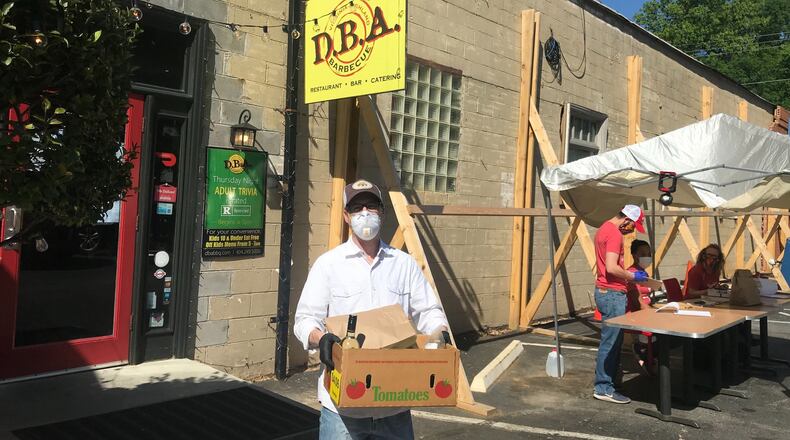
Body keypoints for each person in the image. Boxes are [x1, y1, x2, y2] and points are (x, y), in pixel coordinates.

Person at [294, 179, 450, 439]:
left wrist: (439, 333)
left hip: (394, 403)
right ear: (346, 216)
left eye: (371, 206)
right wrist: (320, 338)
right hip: (342, 409)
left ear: (382, 213)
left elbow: (428, 311)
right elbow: (305, 319)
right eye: (357, 208)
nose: (364, 213)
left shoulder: (403, 264)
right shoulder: (329, 264)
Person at [593, 204, 647, 404]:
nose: (632, 230)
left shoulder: (603, 229)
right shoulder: (615, 234)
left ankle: (610, 382)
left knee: (612, 340)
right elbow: (611, 267)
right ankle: (603, 387)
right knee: (611, 341)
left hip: (606, 291)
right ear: (627, 219)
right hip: (612, 292)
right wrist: (633, 276)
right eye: (633, 226)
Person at [625, 239, 656, 375]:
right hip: (636, 314)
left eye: (649, 254)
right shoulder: (631, 274)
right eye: (643, 254)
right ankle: (641, 350)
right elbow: (636, 301)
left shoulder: (644, 273)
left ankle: (648, 354)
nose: (647, 257)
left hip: (646, 311)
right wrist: (653, 314)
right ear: (634, 255)